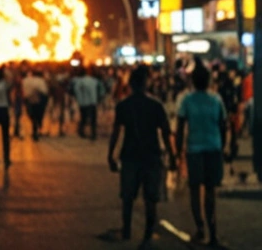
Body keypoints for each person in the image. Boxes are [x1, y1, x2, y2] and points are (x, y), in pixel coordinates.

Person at [107, 65, 172, 246]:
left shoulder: (123, 106)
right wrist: (172, 156)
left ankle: (127, 230)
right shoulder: (156, 105)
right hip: (152, 155)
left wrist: (110, 155)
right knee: (150, 199)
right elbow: (166, 133)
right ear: (146, 83)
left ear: (131, 85)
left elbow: (116, 132)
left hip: (129, 156)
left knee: (127, 197)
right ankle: (147, 235)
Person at [176, 63, 228, 246]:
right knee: (211, 191)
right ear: (208, 81)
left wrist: (177, 152)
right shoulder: (216, 100)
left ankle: (200, 228)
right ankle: (213, 232)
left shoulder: (186, 100)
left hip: (194, 150)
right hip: (213, 148)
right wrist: (223, 146)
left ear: (192, 81)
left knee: (195, 190)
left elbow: (181, 127)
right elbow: (223, 125)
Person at [73, 68, 102, 140]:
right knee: (93, 119)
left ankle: (82, 132)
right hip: (93, 102)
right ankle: (93, 134)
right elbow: (101, 90)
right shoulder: (94, 80)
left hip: (83, 103)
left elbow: (76, 92)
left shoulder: (78, 82)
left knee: (83, 118)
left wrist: (78, 100)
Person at [21, 68, 50, 141]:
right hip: (38, 102)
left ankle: (35, 131)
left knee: (33, 117)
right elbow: (45, 92)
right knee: (38, 117)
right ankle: (37, 130)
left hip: (30, 101)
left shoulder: (26, 80)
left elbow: (24, 92)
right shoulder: (41, 81)